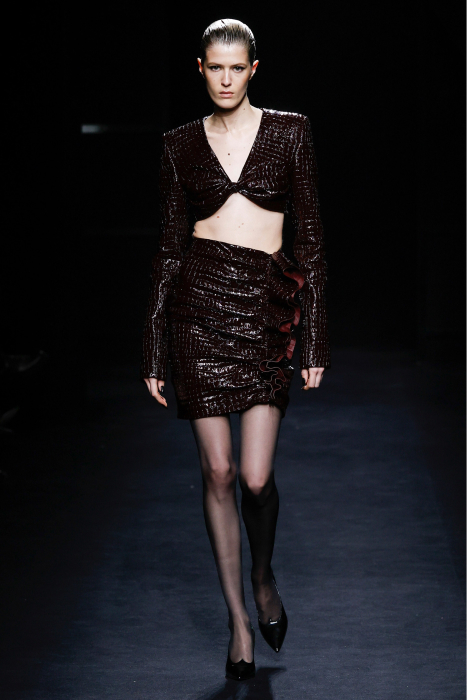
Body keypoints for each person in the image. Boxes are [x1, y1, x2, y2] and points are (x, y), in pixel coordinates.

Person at [141, 18, 330, 682]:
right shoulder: (178, 145)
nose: (225, 79)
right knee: (218, 473)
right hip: (196, 311)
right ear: (200, 69)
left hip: (264, 313)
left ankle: (262, 576)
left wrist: (313, 336)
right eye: (214, 68)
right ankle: (237, 622)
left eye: (236, 67)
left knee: (254, 477)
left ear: (253, 68)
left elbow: (310, 241)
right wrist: (154, 347)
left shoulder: (289, 132)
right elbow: (169, 249)